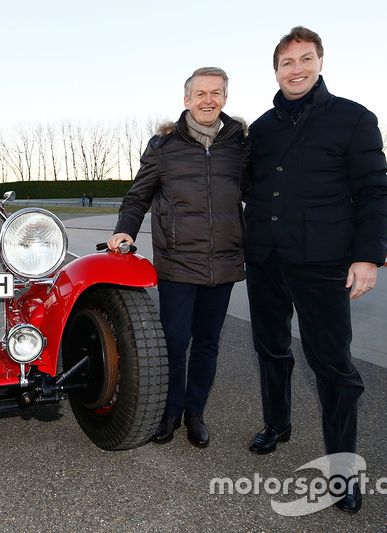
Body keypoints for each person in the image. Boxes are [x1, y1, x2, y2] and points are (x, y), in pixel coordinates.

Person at [244, 27, 387, 513]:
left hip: (324, 260)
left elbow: (373, 190)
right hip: (266, 258)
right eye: (287, 62)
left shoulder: (352, 118)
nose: (297, 69)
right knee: (270, 348)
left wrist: (367, 256)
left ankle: (343, 467)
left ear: (320, 62)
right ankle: (277, 424)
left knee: (332, 365)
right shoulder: (261, 130)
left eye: (305, 59)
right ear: (276, 69)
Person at [108, 67, 247, 448]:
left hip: (224, 262)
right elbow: (138, 196)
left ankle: (195, 413)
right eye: (200, 93)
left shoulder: (240, 144)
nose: (208, 100)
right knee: (173, 340)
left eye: (215, 93)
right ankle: (170, 411)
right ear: (186, 100)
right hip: (178, 262)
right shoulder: (163, 147)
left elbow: (261, 194)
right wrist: (125, 229)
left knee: (208, 342)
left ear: (224, 98)